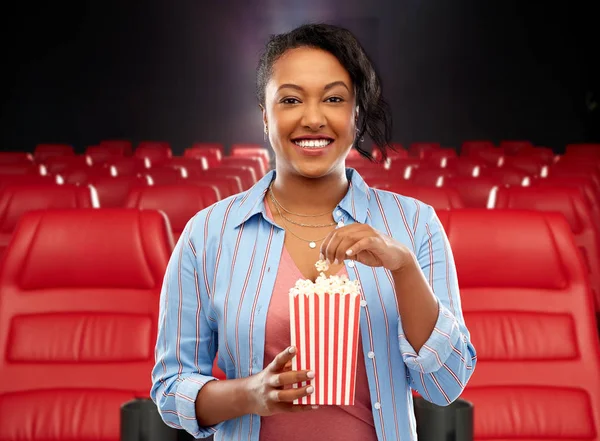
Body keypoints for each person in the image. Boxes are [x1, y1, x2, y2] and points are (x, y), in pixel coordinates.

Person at [151, 23, 476, 441]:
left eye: (334, 99)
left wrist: (404, 270)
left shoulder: (415, 225)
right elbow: (170, 388)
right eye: (290, 99)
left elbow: (445, 384)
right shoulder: (207, 234)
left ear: (356, 114)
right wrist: (249, 394)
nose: (313, 118)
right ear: (265, 115)